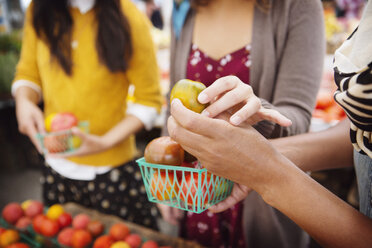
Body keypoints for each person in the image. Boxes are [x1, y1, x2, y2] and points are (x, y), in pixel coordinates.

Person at [166, 1, 372, 247]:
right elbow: (174, 108)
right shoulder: (186, 8)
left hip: (262, 208)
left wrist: (256, 130)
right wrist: (168, 176)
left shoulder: (296, 7)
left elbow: (297, 117)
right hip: (199, 189)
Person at [13, 0, 162, 229]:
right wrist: (24, 101)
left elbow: (149, 99)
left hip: (112, 173)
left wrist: (104, 142)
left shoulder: (129, 16)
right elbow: (28, 72)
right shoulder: (39, 8)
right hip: (56, 165)